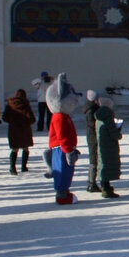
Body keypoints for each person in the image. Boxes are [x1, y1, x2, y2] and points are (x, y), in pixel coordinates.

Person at [46, 74, 80, 205]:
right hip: (61, 149)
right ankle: (61, 195)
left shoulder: (64, 116)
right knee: (62, 172)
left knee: (67, 172)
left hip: (65, 149)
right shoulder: (59, 117)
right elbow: (62, 136)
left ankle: (64, 192)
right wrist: (67, 150)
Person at [3, 89, 36, 175]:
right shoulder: (25, 105)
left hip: (13, 129)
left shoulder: (10, 104)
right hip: (24, 129)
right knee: (25, 147)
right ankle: (24, 166)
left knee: (14, 148)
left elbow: (5, 118)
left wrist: (12, 121)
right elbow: (31, 118)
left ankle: (12, 167)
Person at [94, 97, 122, 198]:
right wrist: (118, 132)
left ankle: (105, 186)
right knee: (107, 165)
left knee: (103, 164)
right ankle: (106, 188)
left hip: (102, 144)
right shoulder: (108, 117)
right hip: (109, 145)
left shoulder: (99, 116)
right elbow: (114, 133)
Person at [83, 90, 101, 193]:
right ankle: (91, 183)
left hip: (91, 135)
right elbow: (91, 123)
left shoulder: (90, 107)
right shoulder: (91, 109)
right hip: (93, 136)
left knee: (94, 158)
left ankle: (91, 182)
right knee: (94, 158)